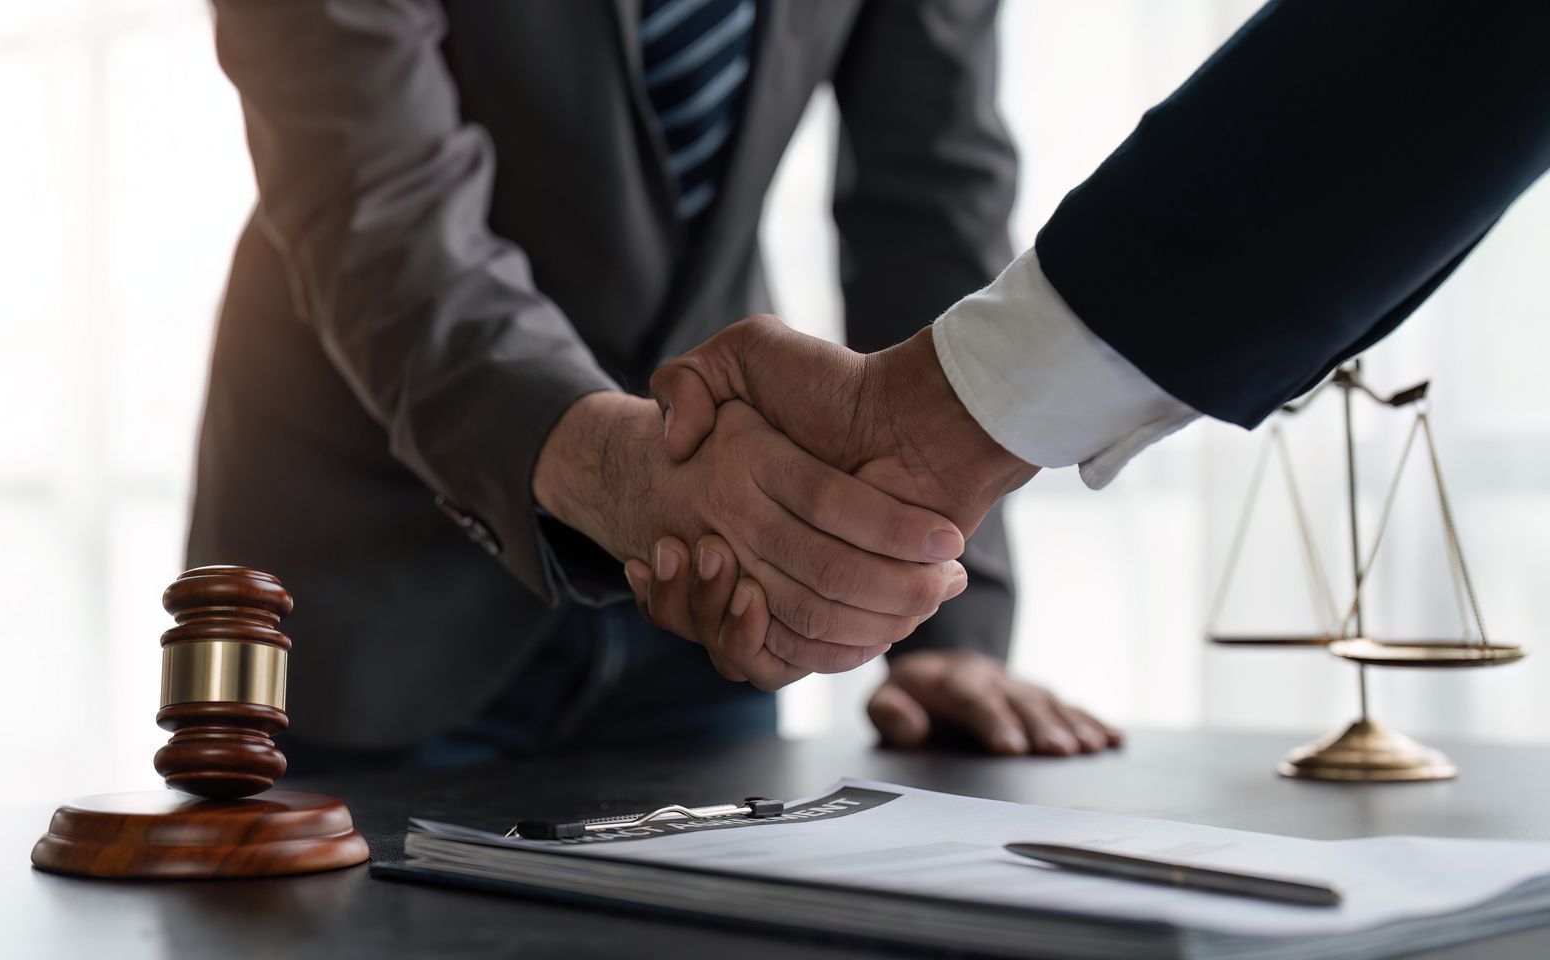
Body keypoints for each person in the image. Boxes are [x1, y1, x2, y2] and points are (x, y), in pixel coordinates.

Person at [187, 0, 1116, 771]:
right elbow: (373, 202)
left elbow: (930, 194)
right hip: (377, 569)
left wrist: (946, 607)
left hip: (707, 601)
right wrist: (617, 472)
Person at [636, 0, 1550, 654]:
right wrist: (600, 463)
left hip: (726, 604)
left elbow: (928, 191)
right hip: (524, 575)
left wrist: (943, 610)